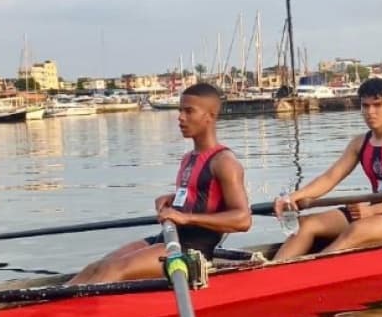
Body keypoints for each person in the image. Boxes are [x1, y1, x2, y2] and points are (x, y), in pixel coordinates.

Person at [69, 83, 251, 284]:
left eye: (189, 111)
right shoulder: (188, 158)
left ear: (210, 116)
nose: (180, 117)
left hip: (191, 250)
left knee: (114, 269)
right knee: (98, 266)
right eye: (180, 110)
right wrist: (173, 199)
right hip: (168, 237)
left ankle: (72, 312)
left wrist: (184, 217)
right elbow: (204, 196)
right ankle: (41, 303)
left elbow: (242, 219)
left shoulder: (224, 162)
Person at [272, 78, 382, 260]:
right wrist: (293, 197)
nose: (370, 112)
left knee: (357, 229)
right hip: (375, 213)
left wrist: (372, 211)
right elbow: (330, 178)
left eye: (377, 105)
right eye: (365, 106)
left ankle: (311, 274)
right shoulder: (360, 143)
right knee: (307, 224)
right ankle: (268, 275)